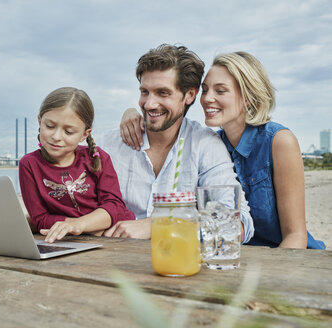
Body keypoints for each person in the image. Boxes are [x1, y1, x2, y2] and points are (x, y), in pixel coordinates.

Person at [121, 50, 325, 249]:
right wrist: (133, 114)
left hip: (285, 258)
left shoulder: (279, 141)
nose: (207, 98)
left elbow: (295, 236)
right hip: (229, 254)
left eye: (220, 91)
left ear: (248, 97)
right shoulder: (211, 144)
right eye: (205, 89)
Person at [96, 44, 254, 242]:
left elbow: (237, 224)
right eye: (145, 92)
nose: (149, 104)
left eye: (163, 93)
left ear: (189, 95)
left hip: (179, 266)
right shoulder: (108, 144)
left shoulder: (205, 145)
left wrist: (160, 226)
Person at [19, 87, 135, 243]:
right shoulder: (29, 164)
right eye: (50, 126)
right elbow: (40, 219)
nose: (56, 136)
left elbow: (114, 207)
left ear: (84, 134)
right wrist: (90, 227)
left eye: (69, 131)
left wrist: (80, 225)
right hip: (74, 239)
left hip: (115, 237)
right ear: (40, 121)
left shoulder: (98, 158)